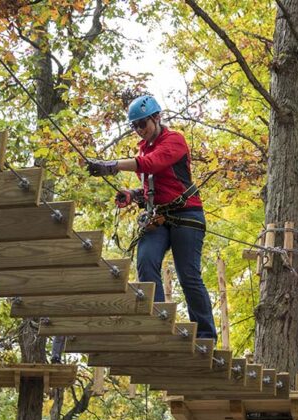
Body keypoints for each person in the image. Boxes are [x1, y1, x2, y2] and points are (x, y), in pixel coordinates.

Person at [85, 94, 217, 341]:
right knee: (145, 261)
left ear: (156, 118)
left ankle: (206, 336)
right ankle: (159, 324)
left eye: (142, 124)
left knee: (188, 276)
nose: (138, 130)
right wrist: (132, 194)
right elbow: (151, 185)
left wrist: (111, 165)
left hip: (187, 215)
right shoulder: (143, 149)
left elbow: (152, 164)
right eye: (134, 126)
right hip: (159, 216)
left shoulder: (174, 140)